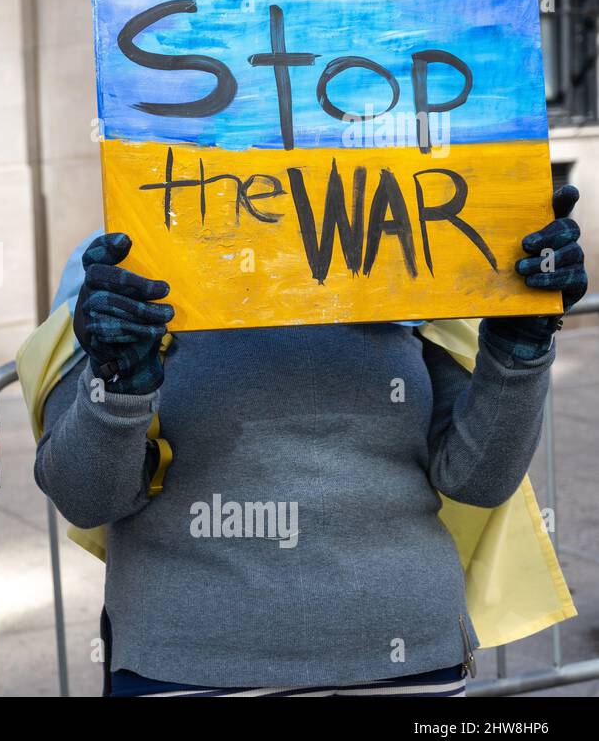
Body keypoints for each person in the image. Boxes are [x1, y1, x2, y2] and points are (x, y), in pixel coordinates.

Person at [33, 185, 587, 697]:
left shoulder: (416, 246)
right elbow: (87, 498)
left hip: (409, 664)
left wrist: (520, 348)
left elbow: (480, 479)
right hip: (188, 669)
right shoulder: (123, 268)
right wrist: (116, 383)